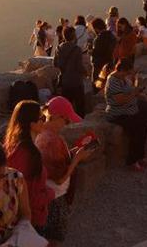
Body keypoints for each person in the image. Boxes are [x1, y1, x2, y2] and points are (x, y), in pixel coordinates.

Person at [36, 97, 93, 245]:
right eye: (66, 121)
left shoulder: (41, 133)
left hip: (46, 195)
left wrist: (73, 152)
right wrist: (77, 159)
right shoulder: (52, 141)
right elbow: (59, 178)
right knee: (53, 240)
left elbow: (55, 164)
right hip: (55, 198)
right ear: (56, 117)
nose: (67, 125)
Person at [5, 101, 53, 234]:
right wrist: (51, 193)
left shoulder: (11, 147)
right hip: (31, 219)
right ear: (32, 124)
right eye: (42, 118)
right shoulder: (30, 154)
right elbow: (31, 197)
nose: (45, 121)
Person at [104, 58, 147, 171]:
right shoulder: (113, 81)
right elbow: (120, 100)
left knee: (144, 124)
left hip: (129, 111)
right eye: (127, 72)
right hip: (118, 114)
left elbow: (130, 91)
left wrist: (137, 89)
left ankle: (139, 156)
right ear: (122, 70)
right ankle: (132, 160)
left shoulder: (123, 79)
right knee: (136, 129)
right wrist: (134, 93)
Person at [54, 26, 87, 116]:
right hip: (76, 82)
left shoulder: (58, 48)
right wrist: (86, 72)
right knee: (80, 108)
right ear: (74, 36)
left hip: (64, 81)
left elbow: (55, 64)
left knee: (65, 107)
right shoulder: (77, 49)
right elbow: (79, 66)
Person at [90, 18, 116, 85]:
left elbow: (96, 53)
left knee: (97, 85)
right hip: (110, 64)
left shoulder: (98, 39)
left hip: (98, 66)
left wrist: (91, 51)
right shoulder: (112, 36)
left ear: (96, 28)